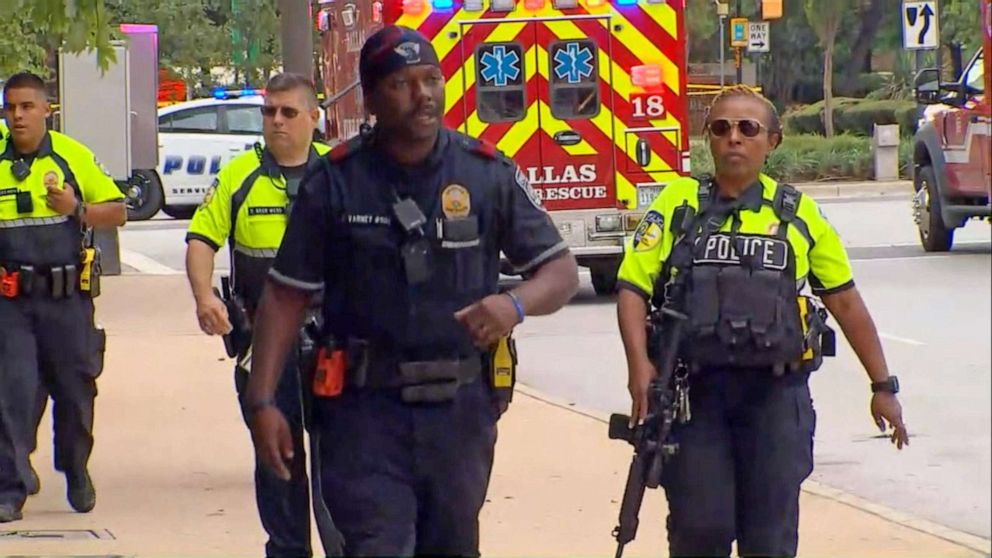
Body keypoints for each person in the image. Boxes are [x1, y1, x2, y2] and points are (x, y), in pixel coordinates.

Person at [244, 25, 580, 557]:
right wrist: (263, 399)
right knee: (377, 545)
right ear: (372, 98)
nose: (424, 95)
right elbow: (284, 297)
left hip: (460, 413)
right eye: (403, 83)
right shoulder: (334, 181)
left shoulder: (483, 174)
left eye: (432, 79)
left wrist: (511, 305)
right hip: (363, 413)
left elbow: (561, 272)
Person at [616, 85, 909, 558]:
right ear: (708, 139)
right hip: (696, 398)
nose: (734, 137)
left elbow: (846, 302)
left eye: (747, 129)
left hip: (775, 400)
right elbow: (631, 288)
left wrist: (883, 385)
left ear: (772, 141)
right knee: (700, 531)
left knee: (770, 540)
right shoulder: (677, 204)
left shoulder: (798, 214)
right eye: (721, 128)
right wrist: (639, 370)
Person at [184, 72, 339, 558]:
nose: (275, 121)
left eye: (288, 112)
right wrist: (203, 295)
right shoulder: (238, 175)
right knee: (278, 462)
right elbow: (201, 239)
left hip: (335, 344)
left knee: (343, 463)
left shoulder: (340, 174)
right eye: (268, 112)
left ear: (314, 118)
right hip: (266, 348)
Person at [0, 71, 127, 523]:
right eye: (10, 107)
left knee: (75, 392)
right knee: (10, 392)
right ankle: (9, 489)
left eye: (27, 107)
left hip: (67, 298)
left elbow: (117, 212)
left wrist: (76, 209)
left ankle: (75, 469)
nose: (17, 116)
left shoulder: (72, 156)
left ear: (46, 110)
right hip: (10, 302)